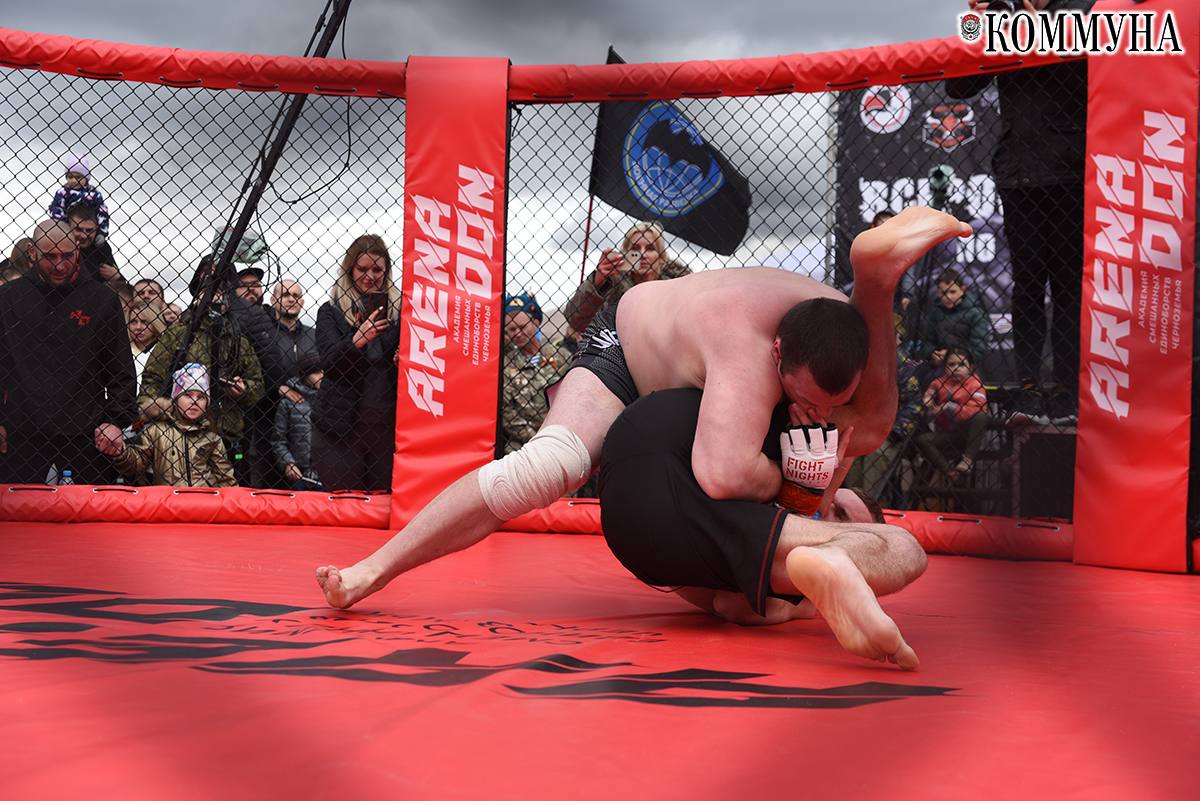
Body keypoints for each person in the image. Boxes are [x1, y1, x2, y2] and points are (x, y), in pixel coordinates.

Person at [316, 206, 972, 609]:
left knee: (868, 423)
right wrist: (796, 478)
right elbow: (722, 473)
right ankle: (377, 567)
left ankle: (876, 282)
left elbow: (860, 415)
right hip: (628, 356)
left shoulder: (830, 325)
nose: (814, 413)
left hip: (708, 359)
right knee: (545, 468)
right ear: (777, 355)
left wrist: (835, 427)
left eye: (828, 401)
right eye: (802, 397)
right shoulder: (747, 353)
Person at [599, 388, 925, 668]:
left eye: (841, 520)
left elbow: (732, 604)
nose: (826, 511)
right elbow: (846, 448)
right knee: (904, 546)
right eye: (835, 503)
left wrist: (802, 504)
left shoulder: (792, 555)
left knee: (900, 545)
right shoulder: (790, 487)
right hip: (636, 490)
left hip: (627, 483)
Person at [946, 0, 1094, 427]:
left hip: (1070, 172)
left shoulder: (1083, 9)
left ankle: (1065, 389)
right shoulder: (1001, 17)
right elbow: (958, 85)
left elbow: (1090, 79)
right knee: (1028, 283)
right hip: (1018, 175)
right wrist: (979, 26)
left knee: (1068, 286)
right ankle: (1028, 387)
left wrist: (1038, 30)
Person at [0, 220, 135, 485]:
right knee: (17, 508)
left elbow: (120, 368)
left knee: (91, 508)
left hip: (85, 431)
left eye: (68, 255)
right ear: (32, 253)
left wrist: (115, 422)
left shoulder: (102, 300)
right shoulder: (8, 298)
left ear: (78, 251)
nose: (60, 265)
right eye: (50, 256)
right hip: (20, 431)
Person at [137, 256, 265, 469]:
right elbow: (152, 380)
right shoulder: (177, 335)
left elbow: (258, 386)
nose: (213, 293)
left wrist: (243, 390)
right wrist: (159, 413)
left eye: (219, 288)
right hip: (180, 437)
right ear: (197, 293)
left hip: (227, 435)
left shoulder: (238, 340)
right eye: (206, 287)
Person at [312, 234, 402, 492]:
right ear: (349, 269)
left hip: (390, 432)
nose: (369, 276)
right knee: (346, 507)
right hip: (340, 432)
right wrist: (357, 341)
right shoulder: (331, 311)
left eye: (377, 270)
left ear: (387, 271)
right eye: (362, 269)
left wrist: (404, 363)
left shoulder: (402, 311)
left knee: (385, 507)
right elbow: (331, 367)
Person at [100, 363, 236, 488]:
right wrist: (120, 452)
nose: (194, 401)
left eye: (201, 397)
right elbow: (138, 462)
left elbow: (225, 478)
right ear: (175, 399)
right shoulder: (156, 431)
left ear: (207, 403)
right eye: (188, 395)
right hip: (168, 500)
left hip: (204, 501)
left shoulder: (212, 437)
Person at [846, 316, 923, 506]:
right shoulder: (857, 358)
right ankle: (852, 508)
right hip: (859, 428)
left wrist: (894, 432)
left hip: (890, 431)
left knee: (876, 456)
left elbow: (914, 405)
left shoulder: (901, 363)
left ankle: (870, 509)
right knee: (850, 460)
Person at [564, 221, 691, 335]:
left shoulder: (678, 288)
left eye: (650, 248)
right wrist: (595, 284)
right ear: (625, 254)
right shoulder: (611, 288)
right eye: (635, 248)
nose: (642, 254)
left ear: (662, 257)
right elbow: (577, 322)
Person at [500, 292, 573, 455]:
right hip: (523, 446)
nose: (517, 333)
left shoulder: (561, 357)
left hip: (563, 439)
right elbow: (508, 412)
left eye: (522, 327)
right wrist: (538, 441)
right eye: (511, 329)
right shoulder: (506, 365)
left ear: (536, 323)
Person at [914, 347, 989, 485]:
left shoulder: (975, 384)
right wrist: (928, 399)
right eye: (951, 364)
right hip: (947, 435)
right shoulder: (939, 382)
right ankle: (950, 473)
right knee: (922, 439)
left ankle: (968, 459)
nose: (956, 368)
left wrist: (949, 407)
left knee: (980, 417)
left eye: (962, 365)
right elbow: (931, 390)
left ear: (971, 368)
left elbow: (975, 410)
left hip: (968, 434)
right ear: (944, 367)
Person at [915, 268, 990, 389]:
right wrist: (933, 353)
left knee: (932, 379)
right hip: (937, 363)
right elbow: (927, 341)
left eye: (953, 291)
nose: (948, 296)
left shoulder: (976, 314)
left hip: (961, 366)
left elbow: (979, 349)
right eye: (943, 293)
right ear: (938, 292)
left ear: (963, 290)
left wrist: (952, 356)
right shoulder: (936, 312)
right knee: (913, 378)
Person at [274, 351, 323, 492]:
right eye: (316, 373)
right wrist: (288, 463)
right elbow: (278, 439)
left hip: (325, 472)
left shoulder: (329, 399)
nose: (321, 377)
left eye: (323, 372)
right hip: (298, 474)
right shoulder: (289, 403)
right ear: (305, 374)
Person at [49, 154, 110, 239]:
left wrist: (101, 232)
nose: (74, 180)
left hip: (89, 230)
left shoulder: (94, 194)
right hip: (67, 230)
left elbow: (102, 212)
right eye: (70, 177)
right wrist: (62, 227)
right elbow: (56, 209)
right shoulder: (63, 192)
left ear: (86, 178)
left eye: (78, 177)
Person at [66, 204, 121, 284]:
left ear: (96, 229)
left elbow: (123, 286)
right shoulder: (59, 248)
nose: (84, 236)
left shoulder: (101, 248)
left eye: (89, 230)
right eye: (78, 229)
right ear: (68, 227)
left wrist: (117, 278)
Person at [127, 298, 168, 386]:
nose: (138, 327)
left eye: (144, 322)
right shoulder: (122, 351)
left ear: (155, 323)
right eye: (133, 322)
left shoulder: (166, 351)